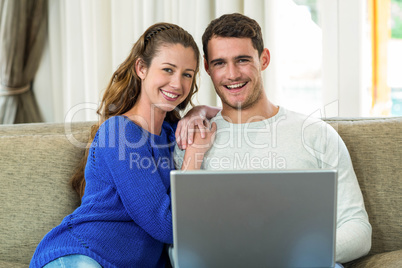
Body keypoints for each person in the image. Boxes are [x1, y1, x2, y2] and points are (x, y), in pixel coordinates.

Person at [174, 13, 372, 266]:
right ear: (207, 67)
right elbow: (181, 240)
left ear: (264, 59)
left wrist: (289, 254)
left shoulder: (315, 134)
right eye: (220, 63)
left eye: (242, 60)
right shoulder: (191, 142)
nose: (232, 74)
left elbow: (358, 230)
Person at [30, 22, 216, 268]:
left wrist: (199, 111)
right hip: (80, 256)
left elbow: (237, 115)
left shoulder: (173, 134)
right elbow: (168, 226)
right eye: (168, 70)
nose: (178, 84)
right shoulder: (119, 132)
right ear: (141, 68)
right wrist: (194, 154)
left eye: (187, 74)